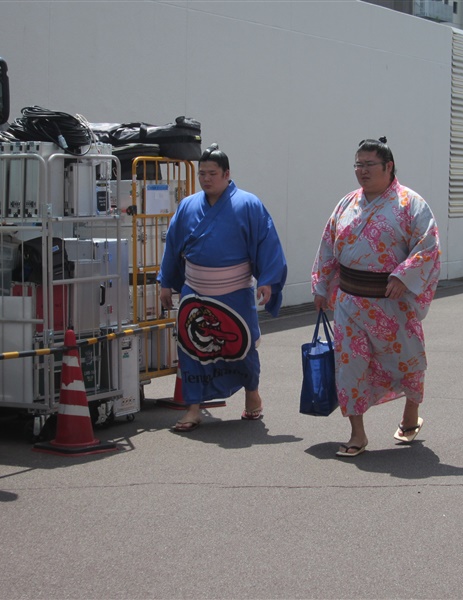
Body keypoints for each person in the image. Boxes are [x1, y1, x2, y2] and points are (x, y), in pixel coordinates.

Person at [311, 137, 441, 457]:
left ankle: (411, 413)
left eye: (369, 164)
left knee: (409, 362)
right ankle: (357, 434)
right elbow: (328, 244)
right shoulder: (346, 203)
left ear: (388, 166)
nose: (363, 171)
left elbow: (428, 246)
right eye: (359, 164)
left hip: (392, 302)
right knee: (349, 367)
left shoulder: (411, 204)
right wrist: (320, 285)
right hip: (349, 302)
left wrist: (403, 274)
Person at [158, 144, 287, 432]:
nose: (206, 179)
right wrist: (166, 281)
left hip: (235, 291)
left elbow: (267, 242)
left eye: (212, 173)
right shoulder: (187, 205)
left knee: (242, 347)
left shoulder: (249, 204)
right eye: (202, 173)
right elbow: (173, 245)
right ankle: (193, 408)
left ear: (227, 174)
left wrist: (267, 280)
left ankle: (252, 395)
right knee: (191, 349)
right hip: (195, 290)